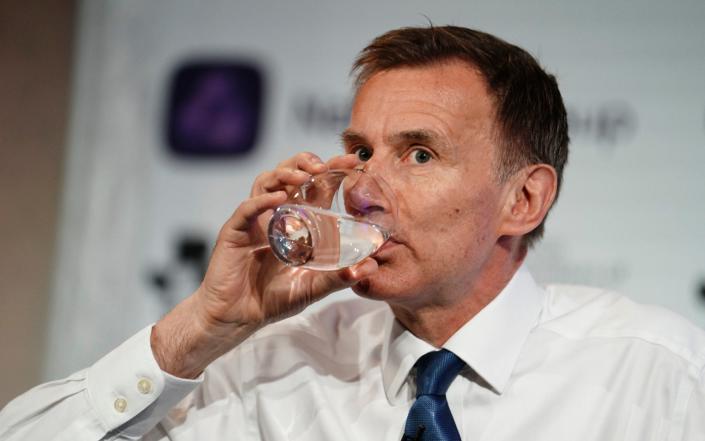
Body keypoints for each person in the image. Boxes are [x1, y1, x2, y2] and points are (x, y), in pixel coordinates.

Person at [1, 25, 704, 441]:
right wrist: (202, 326)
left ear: (523, 199)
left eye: (418, 154)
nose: (361, 190)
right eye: (360, 151)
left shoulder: (655, 375)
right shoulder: (268, 369)